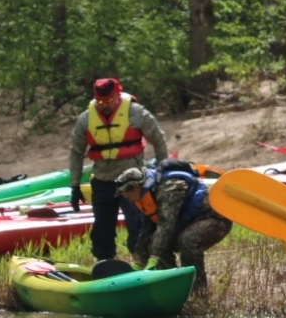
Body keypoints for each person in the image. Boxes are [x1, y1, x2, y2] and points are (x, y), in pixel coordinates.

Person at [69, 77, 170, 262]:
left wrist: (163, 173)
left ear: (117, 96)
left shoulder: (136, 113)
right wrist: (75, 186)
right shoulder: (86, 119)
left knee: (137, 225)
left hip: (133, 182)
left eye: (108, 101)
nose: (104, 105)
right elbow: (76, 152)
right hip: (102, 182)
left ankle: (142, 262)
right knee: (102, 231)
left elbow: (158, 140)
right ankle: (105, 264)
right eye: (100, 101)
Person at [116, 163, 231, 290]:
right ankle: (170, 288)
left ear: (136, 188)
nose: (131, 202)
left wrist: (154, 258)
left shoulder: (170, 188)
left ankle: (197, 291)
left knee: (187, 240)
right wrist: (140, 261)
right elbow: (147, 230)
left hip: (215, 218)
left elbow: (166, 224)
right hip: (188, 222)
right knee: (155, 243)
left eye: (130, 198)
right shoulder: (145, 194)